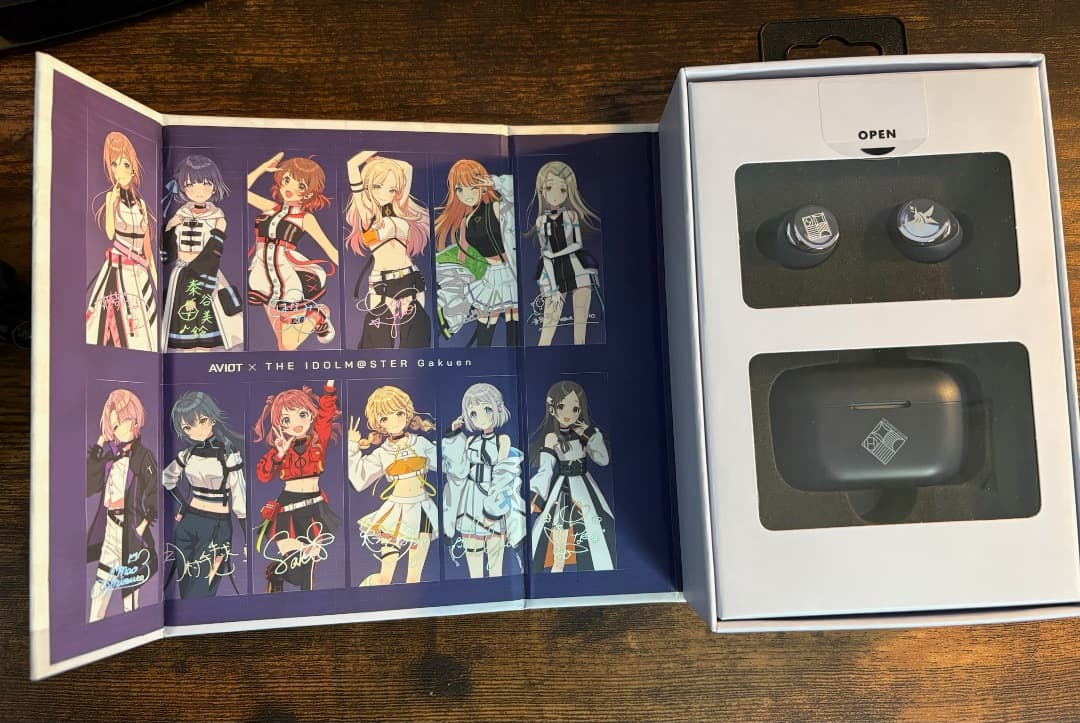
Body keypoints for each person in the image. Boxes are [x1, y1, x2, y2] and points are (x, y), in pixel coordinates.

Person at [252, 381, 341, 592]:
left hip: (315, 505)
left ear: (311, 414)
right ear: (280, 425)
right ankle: (278, 573)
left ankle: (282, 576)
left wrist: (329, 388)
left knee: (309, 563)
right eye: (286, 419)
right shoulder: (279, 448)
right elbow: (263, 476)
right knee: (296, 558)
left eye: (302, 414)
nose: (296, 423)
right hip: (288, 507)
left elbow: (326, 414)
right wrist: (279, 454)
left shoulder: (318, 440)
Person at [247, 152, 338, 350]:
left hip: (289, 281)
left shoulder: (305, 218)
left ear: (309, 193)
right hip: (263, 279)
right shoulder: (270, 208)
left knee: (288, 345)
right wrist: (264, 167)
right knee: (283, 345)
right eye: (287, 180)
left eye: (301, 186)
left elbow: (329, 249)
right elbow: (240, 190)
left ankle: (318, 315)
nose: (290, 188)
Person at [347, 386, 437, 585]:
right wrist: (352, 447)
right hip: (394, 513)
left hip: (422, 512)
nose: (394, 421)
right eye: (385, 418)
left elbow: (448, 463)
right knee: (385, 577)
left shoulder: (421, 443)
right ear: (378, 423)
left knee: (414, 578)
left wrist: (448, 435)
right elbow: (359, 480)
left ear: (407, 412)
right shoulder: (382, 452)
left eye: (399, 413)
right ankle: (362, 597)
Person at [162, 391, 247, 598]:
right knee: (186, 588)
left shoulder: (228, 454)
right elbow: (167, 478)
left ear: (212, 419)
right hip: (188, 523)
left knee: (201, 591)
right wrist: (183, 504)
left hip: (216, 526)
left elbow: (240, 499)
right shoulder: (187, 454)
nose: (197, 430)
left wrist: (247, 539)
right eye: (188, 427)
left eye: (202, 421)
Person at [344, 151, 432, 348]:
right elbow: (352, 165)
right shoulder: (367, 213)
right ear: (367, 187)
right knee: (377, 341)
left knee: (416, 339)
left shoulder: (400, 207)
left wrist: (383, 161)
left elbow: (407, 167)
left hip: (411, 277)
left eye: (392, 189)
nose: (385, 193)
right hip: (382, 281)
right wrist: (373, 153)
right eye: (377, 186)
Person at [528, 381, 614, 573]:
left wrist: (590, 435)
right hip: (562, 493)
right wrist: (536, 495)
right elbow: (546, 469)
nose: (568, 413)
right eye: (562, 406)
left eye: (574, 409)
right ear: (552, 409)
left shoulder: (585, 434)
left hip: (585, 489)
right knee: (558, 547)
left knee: (594, 539)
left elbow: (603, 460)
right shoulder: (551, 438)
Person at [86, 389, 158, 620]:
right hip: (110, 529)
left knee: (130, 592)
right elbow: (89, 483)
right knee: (102, 584)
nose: (119, 429)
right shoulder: (111, 458)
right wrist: (100, 442)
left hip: (130, 530)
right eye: (114, 425)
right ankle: (93, 629)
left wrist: (141, 527)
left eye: (123, 421)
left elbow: (155, 492)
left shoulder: (143, 457)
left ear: (135, 419)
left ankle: (133, 629)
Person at [441, 383, 525, 578]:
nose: (480, 417)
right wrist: (454, 436)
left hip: (493, 494)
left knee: (495, 557)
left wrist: (494, 508)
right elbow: (458, 470)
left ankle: (497, 589)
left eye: (487, 409)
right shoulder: (470, 441)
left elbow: (503, 472)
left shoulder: (503, 440)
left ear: (497, 408)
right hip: (470, 498)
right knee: (473, 555)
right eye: (473, 413)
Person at [161, 154, 243, 351]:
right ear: (183, 187)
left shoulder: (218, 218)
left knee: (207, 332)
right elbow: (166, 255)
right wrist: (169, 228)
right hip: (180, 275)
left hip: (206, 274)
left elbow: (212, 255)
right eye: (191, 185)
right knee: (184, 334)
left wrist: (198, 287)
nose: (198, 191)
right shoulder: (180, 214)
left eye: (205, 184)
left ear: (214, 186)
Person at [85, 131, 158, 351]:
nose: (120, 170)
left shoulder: (141, 204)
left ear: (134, 168)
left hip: (140, 271)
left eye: (125, 165)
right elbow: (110, 233)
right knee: (118, 322)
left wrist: (157, 281)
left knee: (145, 326)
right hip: (118, 268)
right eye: (115, 165)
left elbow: (147, 249)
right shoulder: (112, 198)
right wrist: (111, 203)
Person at [433, 159, 519, 347]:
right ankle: (481, 355)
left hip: (509, 272)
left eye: (473, 187)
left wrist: (495, 182)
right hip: (489, 274)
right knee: (486, 317)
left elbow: (518, 192)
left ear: (482, 186)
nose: (467, 195)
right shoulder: (466, 222)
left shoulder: (498, 208)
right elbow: (463, 257)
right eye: (460, 189)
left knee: (512, 316)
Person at [527, 161, 603, 346]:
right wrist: (554, 288)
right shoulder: (541, 221)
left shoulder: (571, 216)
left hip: (576, 266)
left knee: (580, 332)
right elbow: (545, 253)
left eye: (562, 189)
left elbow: (577, 244)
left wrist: (556, 254)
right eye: (549, 188)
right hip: (551, 270)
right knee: (547, 331)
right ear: (542, 190)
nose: (555, 195)